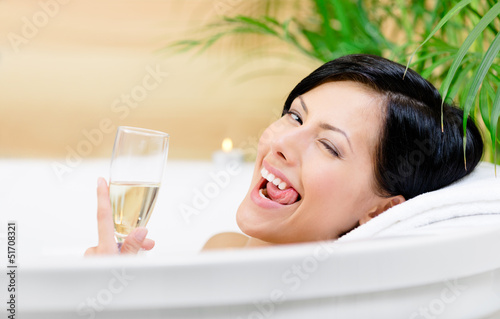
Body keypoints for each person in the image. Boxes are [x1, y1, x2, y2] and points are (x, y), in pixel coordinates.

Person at [85, 54, 484, 255]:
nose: (281, 142)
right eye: (295, 116)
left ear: (380, 212)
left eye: (328, 146)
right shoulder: (223, 250)